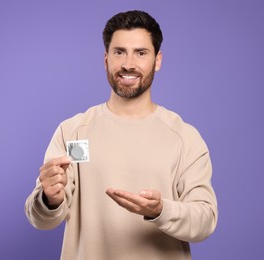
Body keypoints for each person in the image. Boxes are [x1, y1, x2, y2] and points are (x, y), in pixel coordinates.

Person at [25, 10, 218, 260]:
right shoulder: (74, 131)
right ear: (106, 59)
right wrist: (49, 199)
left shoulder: (184, 137)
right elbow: (41, 220)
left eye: (140, 52)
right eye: (119, 52)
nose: (128, 63)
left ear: (157, 60)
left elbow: (205, 220)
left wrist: (161, 210)